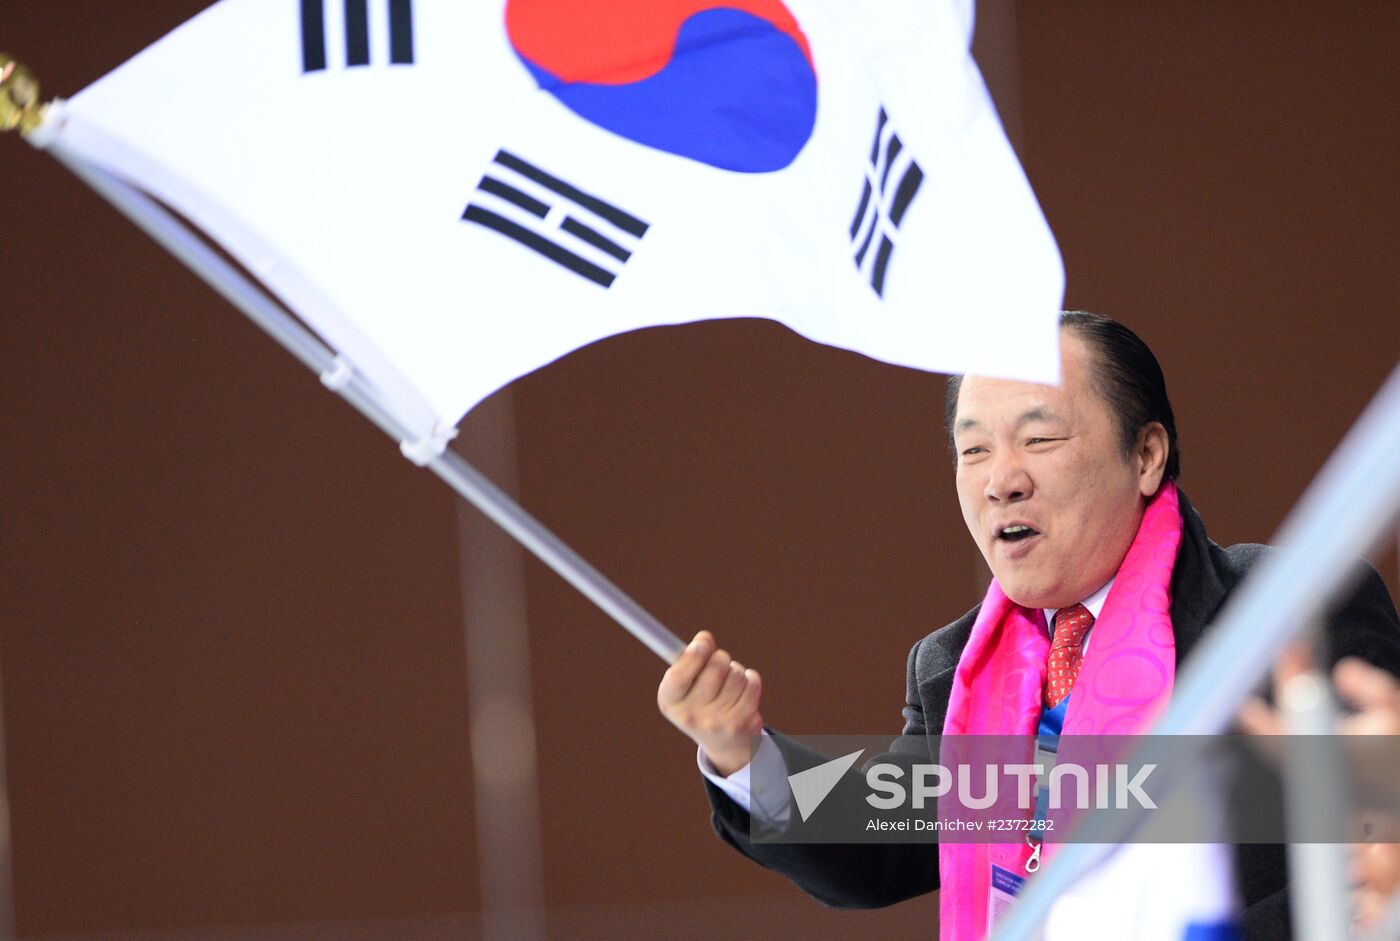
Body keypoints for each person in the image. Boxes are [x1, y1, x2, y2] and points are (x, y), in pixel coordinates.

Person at [656, 311, 1400, 940]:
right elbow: (873, 837)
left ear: (1146, 454)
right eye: (973, 448)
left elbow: (1372, 860)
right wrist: (741, 753)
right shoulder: (954, 669)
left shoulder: (1287, 614)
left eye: (1038, 439)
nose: (999, 477)